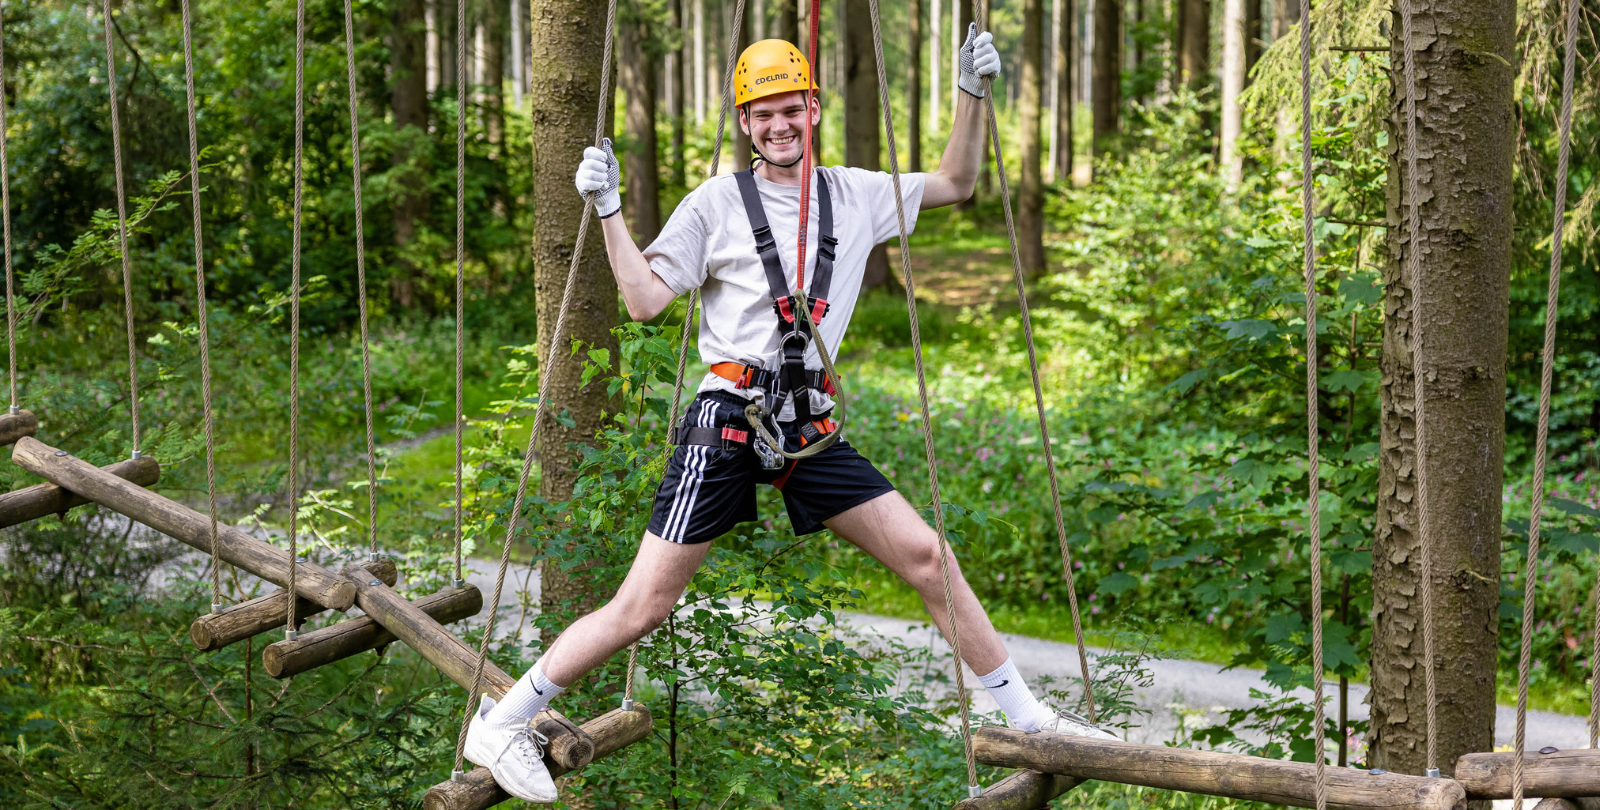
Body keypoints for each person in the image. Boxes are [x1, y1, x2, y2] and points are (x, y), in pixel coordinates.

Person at [463, 26, 1113, 803]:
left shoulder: (858, 194)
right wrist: (608, 209)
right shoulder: (714, 204)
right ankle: (504, 719)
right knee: (644, 605)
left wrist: (971, 95)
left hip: (804, 425)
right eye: (763, 113)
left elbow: (956, 181)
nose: (779, 125)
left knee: (927, 557)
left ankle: (1029, 720)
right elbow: (642, 301)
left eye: (791, 109)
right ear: (745, 122)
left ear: (815, 108)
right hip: (729, 418)